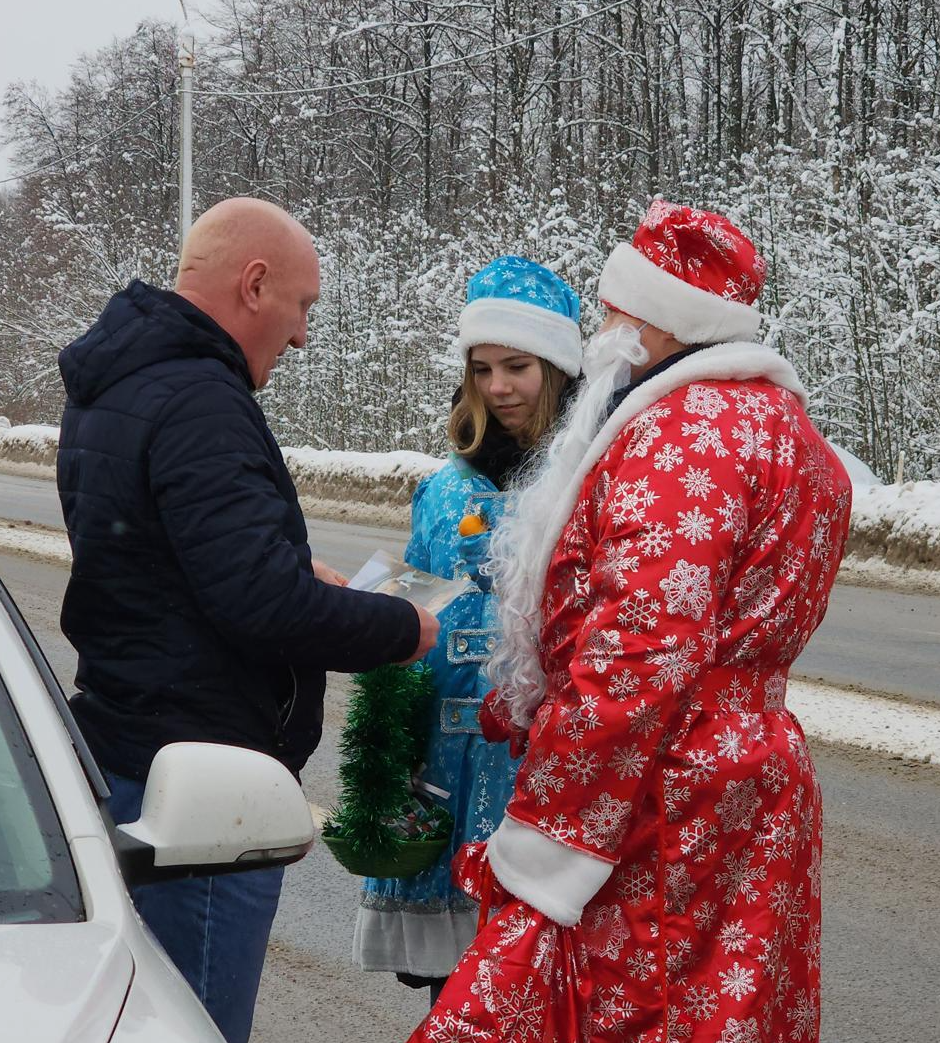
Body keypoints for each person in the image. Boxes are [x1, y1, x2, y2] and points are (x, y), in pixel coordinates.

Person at [410, 200, 853, 1043]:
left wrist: (548, 830)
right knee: (733, 1004)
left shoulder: (682, 435)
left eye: (614, 308)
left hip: (664, 792)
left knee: (644, 1006)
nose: (603, 325)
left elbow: (639, 654)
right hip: (753, 777)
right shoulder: (789, 431)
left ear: (653, 320)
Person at [55, 196, 439, 1043]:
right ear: (255, 284)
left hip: (133, 747)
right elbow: (260, 603)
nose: (302, 335)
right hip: (205, 795)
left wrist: (278, 556)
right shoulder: (200, 398)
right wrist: (398, 629)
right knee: (193, 1020)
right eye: (302, 306)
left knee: (144, 1013)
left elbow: (155, 553)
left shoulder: (125, 381)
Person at [353, 256, 582, 998]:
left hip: (545, 780)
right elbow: (411, 612)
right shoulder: (445, 487)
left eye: (516, 366)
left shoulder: (589, 477)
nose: (497, 387)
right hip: (447, 775)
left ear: (556, 366)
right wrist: (385, 756)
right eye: (481, 368)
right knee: (452, 998)